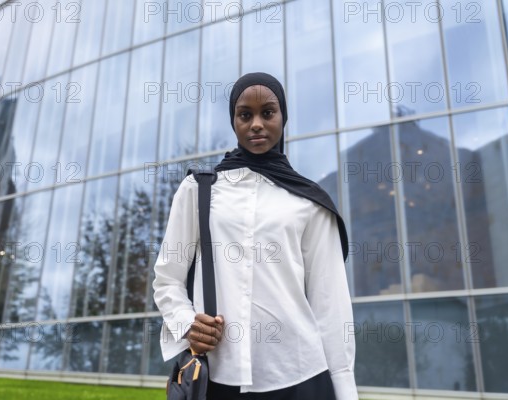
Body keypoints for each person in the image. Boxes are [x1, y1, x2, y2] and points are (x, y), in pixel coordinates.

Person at [153, 72, 358, 400]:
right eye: (245, 114)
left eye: (268, 113)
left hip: (301, 375)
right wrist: (186, 322)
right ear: (233, 120)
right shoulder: (198, 189)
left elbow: (330, 302)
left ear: (283, 117)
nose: (257, 124)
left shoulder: (310, 202)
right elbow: (167, 279)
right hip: (218, 377)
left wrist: (344, 388)